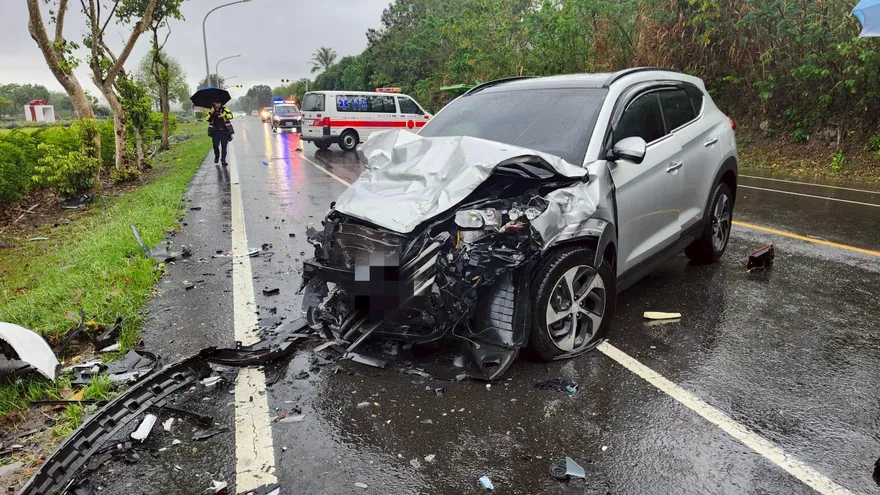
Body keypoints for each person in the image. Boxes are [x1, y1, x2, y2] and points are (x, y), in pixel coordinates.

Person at [206, 100, 233, 166]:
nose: (218, 104)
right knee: (215, 146)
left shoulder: (225, 109)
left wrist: (224, 115)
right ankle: (217, 156)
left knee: (224, 146)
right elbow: (207, 119)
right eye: (217, 103)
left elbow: (231, 116)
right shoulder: (211, 110)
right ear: (214, 103)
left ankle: (223, 159)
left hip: (224, 131)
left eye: (220, 103)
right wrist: (211, 113)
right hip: (215, 131)